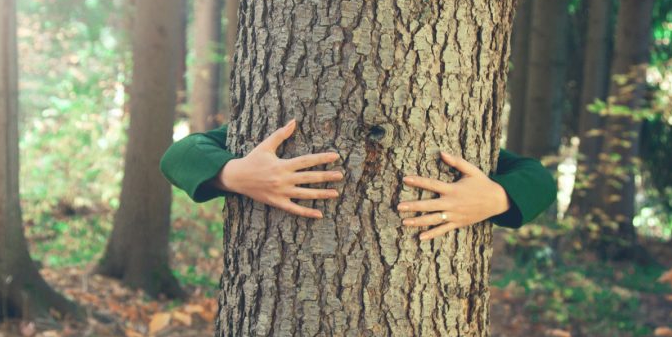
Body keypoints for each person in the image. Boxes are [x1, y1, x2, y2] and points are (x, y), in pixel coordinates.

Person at [160, 119, 556, 239]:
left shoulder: (447, 139)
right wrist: (233, 174)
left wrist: (498, 198)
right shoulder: (273, 127)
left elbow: (538, 179)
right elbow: (179, 154)